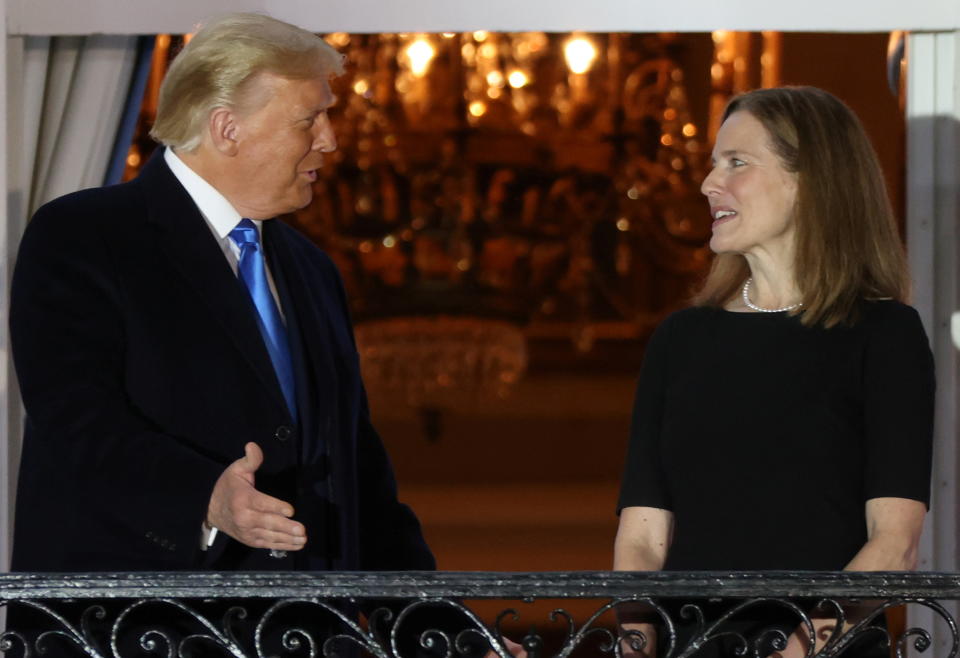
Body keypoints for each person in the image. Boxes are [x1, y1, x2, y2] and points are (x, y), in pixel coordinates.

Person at [8, 12, 468, 655]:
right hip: (132, 632)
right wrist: (205, 498)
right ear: (227, 128)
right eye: (310, 120)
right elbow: (77, 421)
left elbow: (358, 475)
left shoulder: (311, 270)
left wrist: (442, 635)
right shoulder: (83, 237)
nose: (331, 142)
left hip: (302, 636)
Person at [613, 86, 934, 658]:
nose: (710, 183)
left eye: (736, 163)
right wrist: (636, 647)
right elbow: (641, 537)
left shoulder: (885, 335)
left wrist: (798, 652)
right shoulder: (680, 340)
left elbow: (895, 542)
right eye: (714, 165)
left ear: (810, 181)